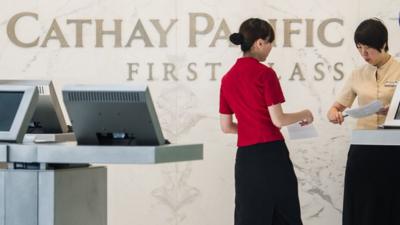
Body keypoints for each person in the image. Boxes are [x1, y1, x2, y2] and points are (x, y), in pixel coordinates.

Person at [219, 18, 313, 225]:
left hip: (245, 160)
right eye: (270, 43)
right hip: (271, 156)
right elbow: (278, 120)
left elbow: (226, 126)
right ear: (259, 43)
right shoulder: (265, 74)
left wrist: (249, 129)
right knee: (284, 215)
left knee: (250, 217)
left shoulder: (227, 79)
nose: (271, 48)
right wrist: (304, 113)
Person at [327, 18, 400, 225]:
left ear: (383, 44)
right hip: (363, 149)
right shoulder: (357, 74)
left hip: (395, 149)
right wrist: (335, 114)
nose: (364, 54)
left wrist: (393, 110)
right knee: (362, 206)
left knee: (392, 206)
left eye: (368, 48)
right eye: (359, 48)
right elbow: (334, 109)